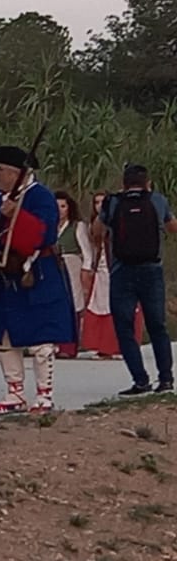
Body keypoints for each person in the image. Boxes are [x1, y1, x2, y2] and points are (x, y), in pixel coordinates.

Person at [0, 146, 76, 415]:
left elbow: (43, 235)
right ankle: (14, 392)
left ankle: (44, 394)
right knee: (3, 335)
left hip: (35, 274)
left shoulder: (40, 197)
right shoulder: (3, 197)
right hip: (7, 277)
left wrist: (15, 213)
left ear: (17, 173)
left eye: (1, 170)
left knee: (42, 338)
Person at [96, 165, 177, 394]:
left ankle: (140, 380)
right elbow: (172, 227)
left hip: (122, 272)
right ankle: (166, 379)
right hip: (152, 271)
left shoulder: (112, 202)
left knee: (124, 328)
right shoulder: (158, 200)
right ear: (147, 183)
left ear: (124, 183)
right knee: (157, 327)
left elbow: (97, 232)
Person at [80, 191, 133, 358]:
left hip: (118, 269)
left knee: (117, 308)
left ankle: (118, 346)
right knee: (100, 307)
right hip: (101, 270)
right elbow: (90, 251)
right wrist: (88, 269)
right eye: (96, 202)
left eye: (103, 202)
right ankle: (102, 346)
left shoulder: (120, 221)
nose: (100, 205)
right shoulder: (91, 226)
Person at [55, 190, 90, 356]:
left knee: (73, 303)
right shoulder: (50, 226)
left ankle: (70, 346)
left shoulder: (77, 226)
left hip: (72, 264)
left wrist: (85, 270)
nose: (60, 210)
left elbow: (87, 252)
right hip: (54, 265)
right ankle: (57, 343)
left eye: (63, 206)